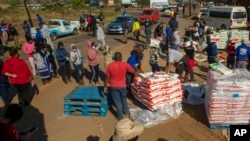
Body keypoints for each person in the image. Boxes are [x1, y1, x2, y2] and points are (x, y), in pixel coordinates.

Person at [104, 52, 143, 120]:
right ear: (121, 58)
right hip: (123, 85)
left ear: (114, 58)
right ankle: (126, 112)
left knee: (117, 101)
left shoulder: (110, 66)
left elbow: (107, 77)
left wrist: (105, 86)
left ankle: (120, 116)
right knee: (124, 99)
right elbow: (134, 72)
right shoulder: (125, 65)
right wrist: (142, 77)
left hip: (114, 86)